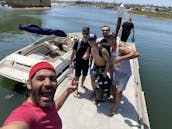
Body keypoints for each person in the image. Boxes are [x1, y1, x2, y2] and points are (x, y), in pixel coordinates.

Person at [1, 61, 77, 129]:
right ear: (29, 84)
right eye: (41, 78)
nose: (48, 83)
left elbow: (54, 107)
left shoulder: (47, 104)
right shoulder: (25, 114)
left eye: (52, 79)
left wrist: (67, 91)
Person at [107, 32, 139, 116]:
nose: (110, 40)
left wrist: (121, 58)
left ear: (115, 39)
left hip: (124, 74)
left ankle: (116, 106)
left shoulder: (120, 48)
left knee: (118, 91)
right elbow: (113, 60)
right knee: (113, 86)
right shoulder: (111, 48)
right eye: (109, 38)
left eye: (112, 38)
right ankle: (114, 99)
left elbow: (136, 53)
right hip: (116, 71)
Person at [69, 26, 90, 97]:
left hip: (86, 63)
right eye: (84, 33)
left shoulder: (90, 43)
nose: (85, 35)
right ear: (82, 33)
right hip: (78, 62)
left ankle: (82, 84)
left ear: (89, 33)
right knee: (77, 76)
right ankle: (76, 89)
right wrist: (70, 63)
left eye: (87, 33)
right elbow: (73, 53)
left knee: (84, 75)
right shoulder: (78, 42)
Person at [88, 33, 110, 99]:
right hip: (95, 66)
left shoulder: (102, 50)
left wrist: (106, 71)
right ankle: (94, 91)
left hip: (102, 67)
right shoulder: (91, 48)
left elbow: (108, 61)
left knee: (101, 83)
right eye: (90, 40)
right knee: (92, 79)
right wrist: (91, 66)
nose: (91, 41)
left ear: (96, 40)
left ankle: (100, 96)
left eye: (93, 40)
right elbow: (93, 58)